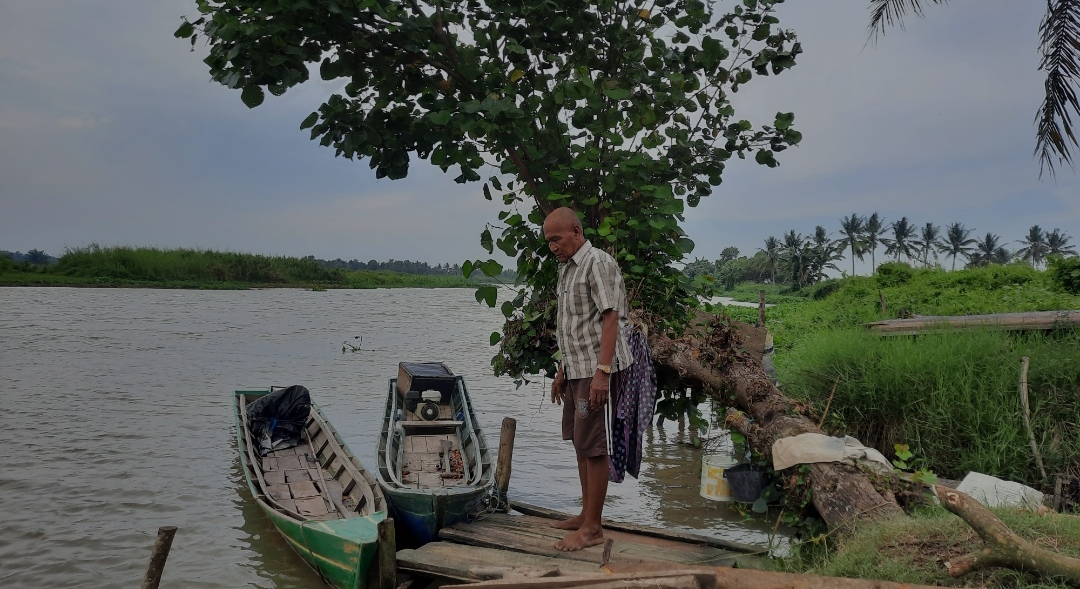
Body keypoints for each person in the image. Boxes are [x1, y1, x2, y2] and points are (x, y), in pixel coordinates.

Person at [544, 207, 632, 552]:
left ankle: (593, 529)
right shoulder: (567, 269)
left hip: (598, 370)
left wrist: (602, 374)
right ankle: (586, 515)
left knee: (594, 446)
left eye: (557, 239)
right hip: (577, 369)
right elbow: (575, 325)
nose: (553, 246)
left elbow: (611, 319)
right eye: (548, 241)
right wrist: (562, 371)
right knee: (581, 442)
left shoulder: (598, 263)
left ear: (576, 231)